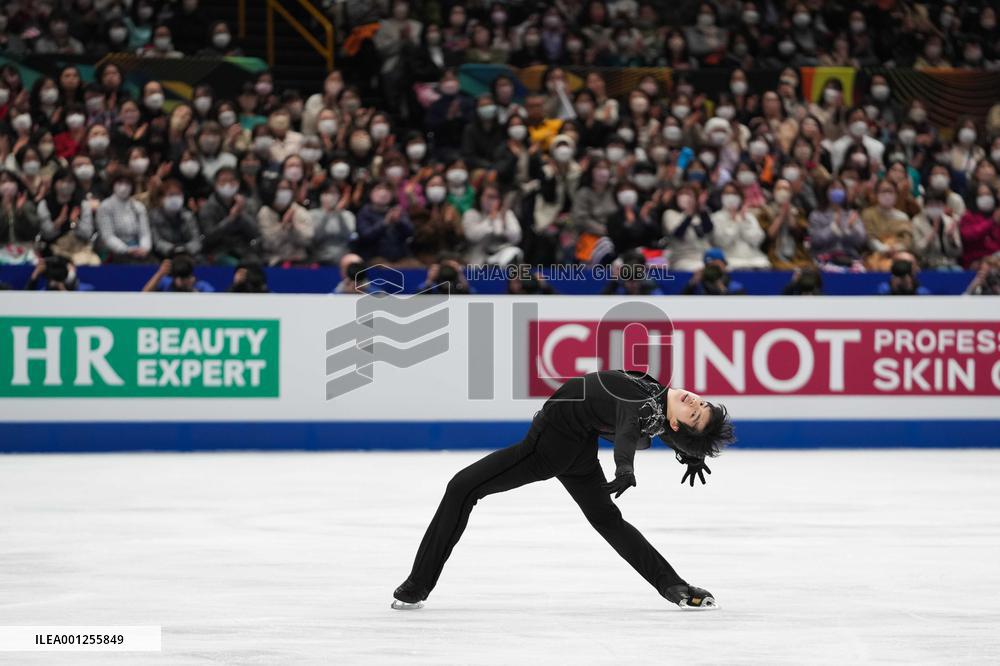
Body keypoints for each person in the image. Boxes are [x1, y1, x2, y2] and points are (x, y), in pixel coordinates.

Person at [391, 370, 735, 611]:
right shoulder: (657, 399)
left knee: (461, 488)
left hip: (547, 450)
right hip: (577, 450)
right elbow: (645, 426)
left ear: (676, 424)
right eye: (701, 405)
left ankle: (417, 586)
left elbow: (629, 427)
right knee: (609, 522)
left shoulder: (645, 404)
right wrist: (691, 451)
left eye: (694, 414)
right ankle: (674, 587)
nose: (695, 402)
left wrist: (625, 467)